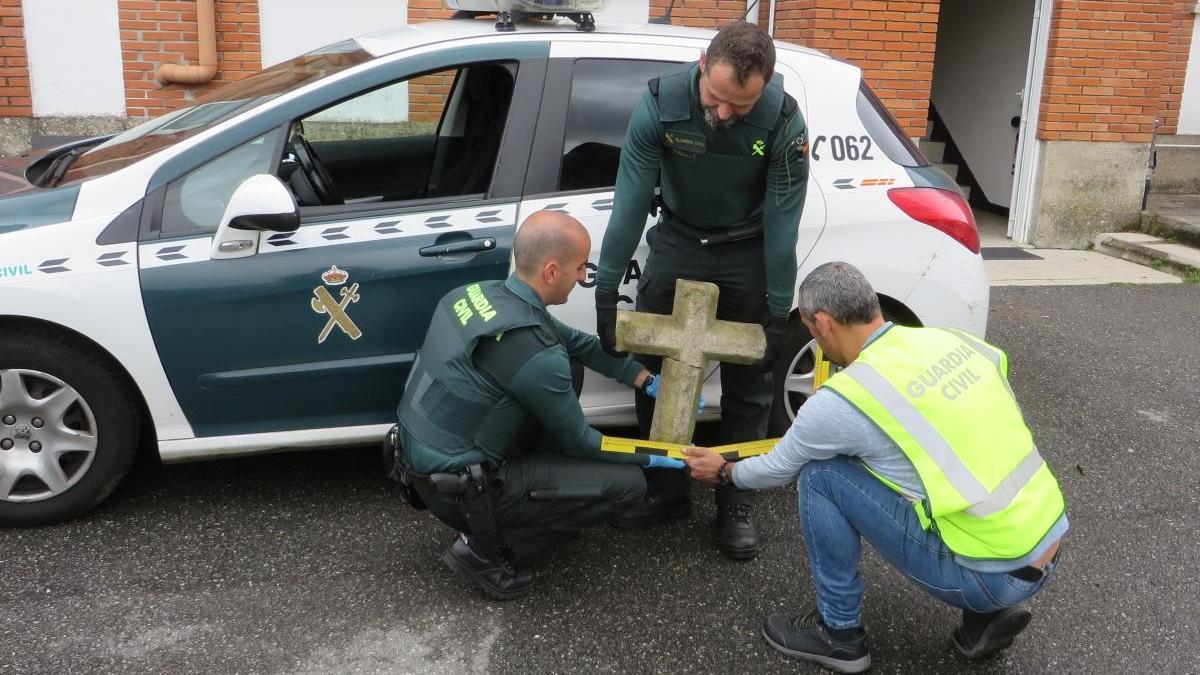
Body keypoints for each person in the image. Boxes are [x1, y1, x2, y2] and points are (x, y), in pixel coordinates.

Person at [684, 262, 1068, 673]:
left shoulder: (845, 398)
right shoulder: (956, 343)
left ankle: (840, 636)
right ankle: (985, 619)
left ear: (823, 323)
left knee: (821, 475)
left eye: (812, 332)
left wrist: (724, 472)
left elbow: (778, 467)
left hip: (988, 575)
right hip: (1048, 543)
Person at [594, 20, 809, 559]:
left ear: (767, 83)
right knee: (653, 367)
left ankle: (734, 502)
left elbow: (783, 228)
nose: (723, 113)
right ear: (700, 63)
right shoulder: (660, 103)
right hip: (679, 239)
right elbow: (628, 203)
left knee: (750, 382)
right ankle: (665, 490)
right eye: (715, 97)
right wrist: (605, 289)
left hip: (746, 249)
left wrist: (780, 313)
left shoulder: (784, 121)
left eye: (740, 104)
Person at [391, 210, 685, 601]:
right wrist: (652, 455)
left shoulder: (480, 295)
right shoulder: (536, 355)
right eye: (580, 267)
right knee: (628, 485)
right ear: (551, 271)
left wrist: (644, 378)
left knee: (571, 367)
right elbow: (585, 443)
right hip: (464, 491)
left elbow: (578, 344)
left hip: (418, 463)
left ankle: (539, 494)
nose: (584, 276)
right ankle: (488, 548)